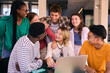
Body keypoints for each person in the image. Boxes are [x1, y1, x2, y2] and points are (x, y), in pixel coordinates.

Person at [0, 0, 29, 73]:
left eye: (27, 10)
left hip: (21, 51)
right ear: (18, 10)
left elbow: (27, 38)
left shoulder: (26, 21)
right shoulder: (5, 21)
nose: (27, 13)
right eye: (25, 11)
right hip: (8, 51)